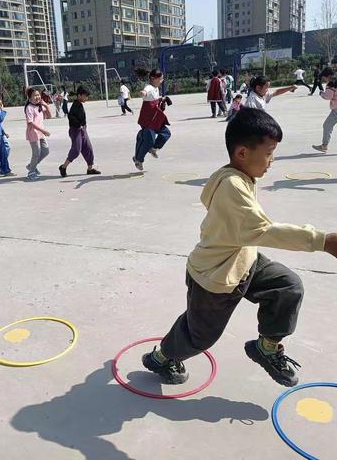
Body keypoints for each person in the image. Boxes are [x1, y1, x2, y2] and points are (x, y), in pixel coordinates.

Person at [141, 107, 337, 388]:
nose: (272, 161)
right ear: (243, 153)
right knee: (199, 337)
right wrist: (324, 241)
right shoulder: (232, 186)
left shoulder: (239, 175)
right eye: (269, 153)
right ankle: (161, 357)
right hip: (215, 278)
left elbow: (252, 233)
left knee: (287, 286)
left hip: (245, 260)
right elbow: (263, 231)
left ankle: (266, 347)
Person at [133, 68, 172, 171]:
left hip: (156, 118)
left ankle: (153, 148)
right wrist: (143, 93)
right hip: (148, 119)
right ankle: (138, 159)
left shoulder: (156, 88)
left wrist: (162, 99)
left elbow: (154, 100)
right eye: (160, 79)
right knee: (149, 140)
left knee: (166, 133)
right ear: (153, 78)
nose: (162, 80)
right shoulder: (149, 87)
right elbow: (146, 92)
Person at [58, 86, 101, 178]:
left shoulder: (79, 104)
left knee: (88, 148)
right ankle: (63, 167)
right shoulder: (75, 105)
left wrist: (84, 126)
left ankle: (90, 168)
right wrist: (78, 125)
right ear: (80, 95)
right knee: (76, 150)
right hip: (75, 130)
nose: (87, 98)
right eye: (85, 96)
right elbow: (70, 116)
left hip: (82, 130)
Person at [25, 88, 51, 180]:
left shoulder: (39, 106)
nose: (37, 97)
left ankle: (31, 165)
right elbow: (30, 123)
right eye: (35, 95)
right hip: (33, 133)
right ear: (30, 97)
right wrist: (43, 131)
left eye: (38, 95)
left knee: (45, 151)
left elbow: (49, 116)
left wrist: (46, 106)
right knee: (36, 153)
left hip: (40, 133)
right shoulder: (29, 108)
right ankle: (31, 172)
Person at [312, 67, 337, 153]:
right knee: (327, 126)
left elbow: (328, 96)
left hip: (336, 110)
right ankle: (324, 145)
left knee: (327, 126)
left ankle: (324, 146)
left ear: (328, 76)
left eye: (324, 78)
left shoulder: (331, 84)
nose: (324, 79)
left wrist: (321, 93)